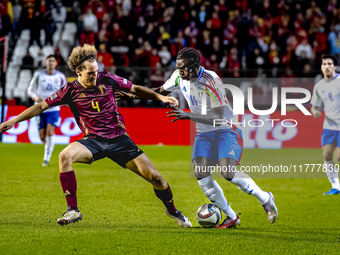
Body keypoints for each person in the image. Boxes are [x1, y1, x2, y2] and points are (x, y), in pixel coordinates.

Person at [0, 44, 191, 228]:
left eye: (96, 71)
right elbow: (41, 106)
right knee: (64, 156)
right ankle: (72, 210)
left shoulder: (107, 79)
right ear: (79, 72)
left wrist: (161, 97)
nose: (95, 75)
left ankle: (173, 211)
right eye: (91, 73)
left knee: (156, 178)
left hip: (120, 140)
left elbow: (134, 89)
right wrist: (13, 121)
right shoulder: (70, 90)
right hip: (93, 141)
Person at [118, 47, 278, 228]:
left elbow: (218, 117)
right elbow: (161, 91)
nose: (180, 72)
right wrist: (132, 95)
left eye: (183, 68)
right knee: (201, 174)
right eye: (178, 68)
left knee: (228, 173)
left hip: (225, 130)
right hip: (203, 133)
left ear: (195, 67)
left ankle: (265, 198)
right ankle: (231, 216)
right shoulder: (179, 76)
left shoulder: (212, 81)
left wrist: (188, 115)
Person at [27, 55, 67, 167]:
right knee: (42, 137)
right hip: (40, 108)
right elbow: (30, 89)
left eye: (52, 61)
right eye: (48, 61)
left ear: (56, 63)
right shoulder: (38, 75)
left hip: (54, 108)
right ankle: (47, 150)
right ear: (46, 62)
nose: (50, 63)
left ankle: (46, 159)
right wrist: (35, 97)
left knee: (50, 132)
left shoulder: (60, 76)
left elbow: (65, 91)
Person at [311, 54, 340, 195]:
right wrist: (315, 111)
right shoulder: (319, 86)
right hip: (329, 127)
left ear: (334, 66)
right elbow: (315, 106)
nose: (327, 67)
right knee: (327, 155)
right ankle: (336, 186)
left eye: (329, 64)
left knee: (339, 157)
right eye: (324, 64)